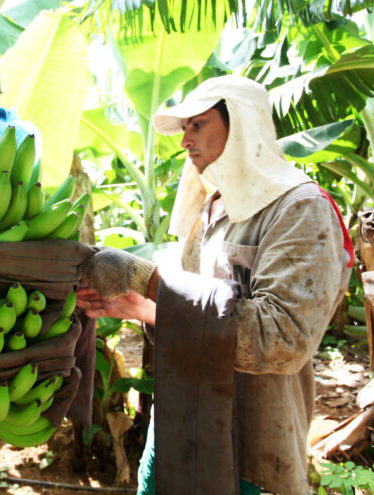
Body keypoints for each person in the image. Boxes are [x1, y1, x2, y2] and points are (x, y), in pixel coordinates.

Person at [77, 75, 352, 495]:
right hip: (182, 420)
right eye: (184, 128)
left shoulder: (299, 210)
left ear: (241, 124)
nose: (185, 140)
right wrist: (142, 307)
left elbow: (281, 339)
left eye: (197, 124)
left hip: (252, 442)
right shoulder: (214, 208)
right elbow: (198, 310)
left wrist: (149, 280)